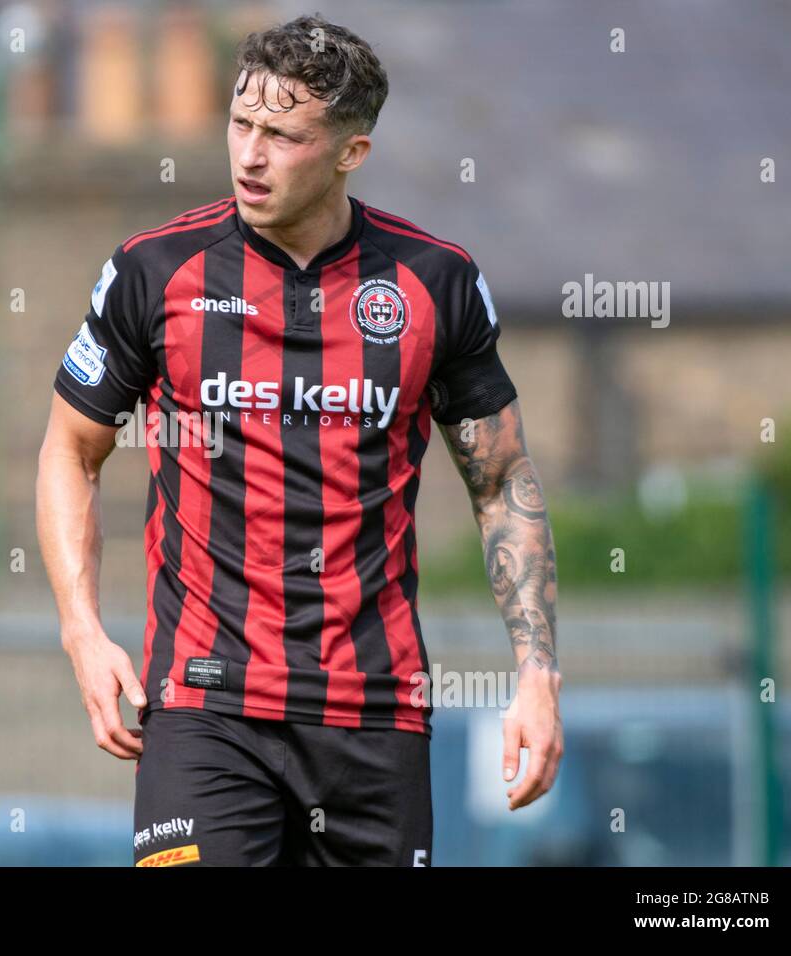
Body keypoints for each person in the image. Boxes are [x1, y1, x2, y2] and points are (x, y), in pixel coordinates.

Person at [36, 13, 562, 866]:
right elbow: (69, 451)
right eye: (240, 123)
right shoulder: (154, 271)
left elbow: (501, 481)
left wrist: (536, 673)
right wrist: (82, 630)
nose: (249, 155)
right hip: (204, 708)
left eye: (282, 136)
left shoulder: (434, 283)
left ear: (350, 152)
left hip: (374, 715)